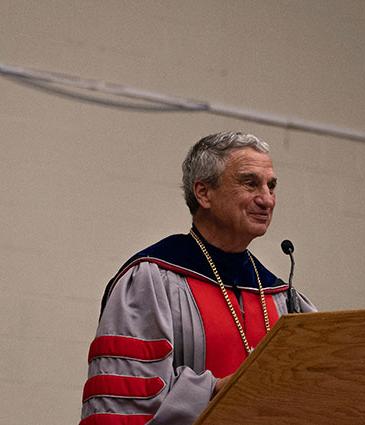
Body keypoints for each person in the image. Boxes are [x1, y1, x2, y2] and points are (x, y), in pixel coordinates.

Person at [80, 132, 316, 425]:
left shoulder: (281, 297)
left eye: (271, 186)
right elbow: (127, 401)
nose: (266, 199)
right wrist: (215, 390)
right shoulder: (153, 279)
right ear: (204, 193)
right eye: (250, 183)